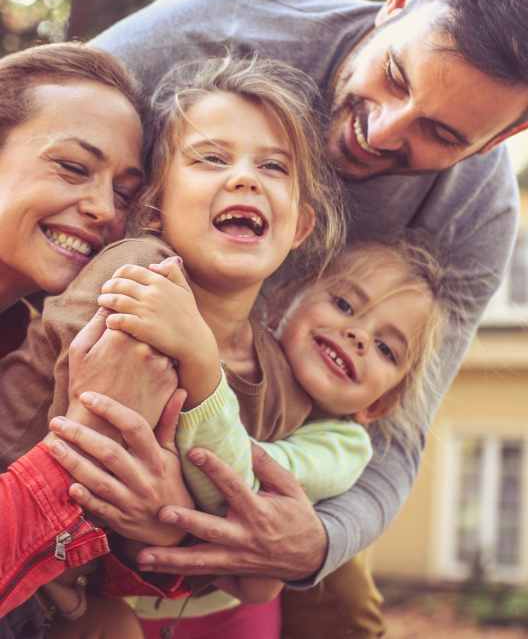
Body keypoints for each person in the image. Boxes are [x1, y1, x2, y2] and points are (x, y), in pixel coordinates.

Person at [76, 0, 528, 637]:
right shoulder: (228, 14)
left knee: (345, 611)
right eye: (393, 74)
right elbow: (37, 141)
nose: (380, 131)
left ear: (507, 134)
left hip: (282, 434)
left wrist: (316, 543)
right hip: (97, 354)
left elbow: (395, 433)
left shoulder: (478, 213)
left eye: (441, 133)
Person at [0, 53, 349, 637]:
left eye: (273, 166)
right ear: (157, 210)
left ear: (301, 227)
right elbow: (87, 447)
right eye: (212, 158)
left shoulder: (278, 369)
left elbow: (230, 547)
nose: (101, 208)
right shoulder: (141, 280)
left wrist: (165, 532)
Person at [69, 238, 444, 638]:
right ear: (285, 303)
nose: (358, 336)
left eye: (386, 348)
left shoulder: (345, 445)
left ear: (379, 404)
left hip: (222, 615)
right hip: (119, 588)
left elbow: (237, 481)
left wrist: (199, 366)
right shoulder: (239, 355)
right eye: (344, 305)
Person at [0, 43, 179, 635]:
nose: (103, 208)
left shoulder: (35, 338)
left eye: (125, 193)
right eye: (73, 167)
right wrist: (84, 444)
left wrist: (151, 525)